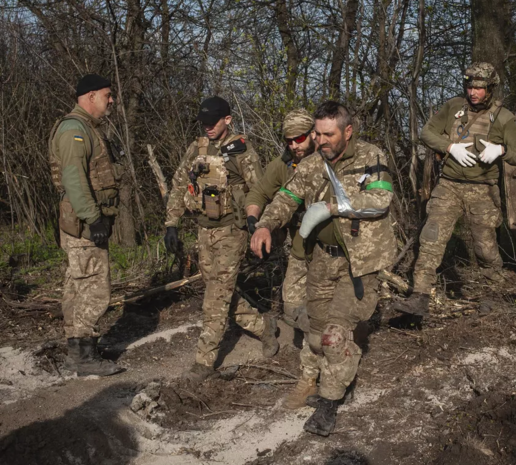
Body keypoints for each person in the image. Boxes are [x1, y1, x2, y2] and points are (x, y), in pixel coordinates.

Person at [250, 101, 394, 436]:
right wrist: (264, 225)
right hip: (322, 260)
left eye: (328, 134)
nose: (321, 140)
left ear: (347, 131)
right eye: (317, 133)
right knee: (315, 336)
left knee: (333, 335)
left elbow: (379, 201)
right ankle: (326, 378)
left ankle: (329, 404)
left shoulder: (371, 157)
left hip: (359, 262)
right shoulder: (312, 164)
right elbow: (286, 197)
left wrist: (332, 208)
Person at [393, 62, 516, 317]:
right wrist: (449, 147)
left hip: (483, 190)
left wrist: (501, 150)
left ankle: (493, 295)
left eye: (479, 88)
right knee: (431, 239)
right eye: (469, 86)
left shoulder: (503, 117)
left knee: (486, 249)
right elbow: (427, 133)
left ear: (491, 89)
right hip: (450, 186)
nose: (473, 92)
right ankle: (419, 296)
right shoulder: (453, 107)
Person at [164, 96, 279, 383]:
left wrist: (259, 227)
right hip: (204, 230)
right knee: (220, 291)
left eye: (213, 123)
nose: (207, 128)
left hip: (232, 232)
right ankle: (264, 327)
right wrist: (171, 223)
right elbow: (180, 183)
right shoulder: (197, 147)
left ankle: (204, 363)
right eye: (203, 123)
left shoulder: (242, 151)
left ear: (227, 120)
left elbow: (260, 190)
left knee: (216, 297)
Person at [49, 74, 125, 376]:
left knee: (77, 287)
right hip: (83, 224)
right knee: (93, 289)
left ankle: (79, 351)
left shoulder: (85, 128)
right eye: (108, 95)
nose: (112, 100)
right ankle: (83, 355)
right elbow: (75, 180)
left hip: (83, 221)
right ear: (91, 96)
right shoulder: (74, 130)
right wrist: (93, 218)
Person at [244, 109, 317, 408]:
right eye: (288, 140)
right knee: (292, 299)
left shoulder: (329, 158)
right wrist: (254, 222)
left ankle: (321, 354)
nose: (293, 145)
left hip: (332, 240)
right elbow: (258, 194)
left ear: (313, 133)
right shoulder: (283, 165)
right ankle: (314, 339)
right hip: (300, 239)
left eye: (299, 138)